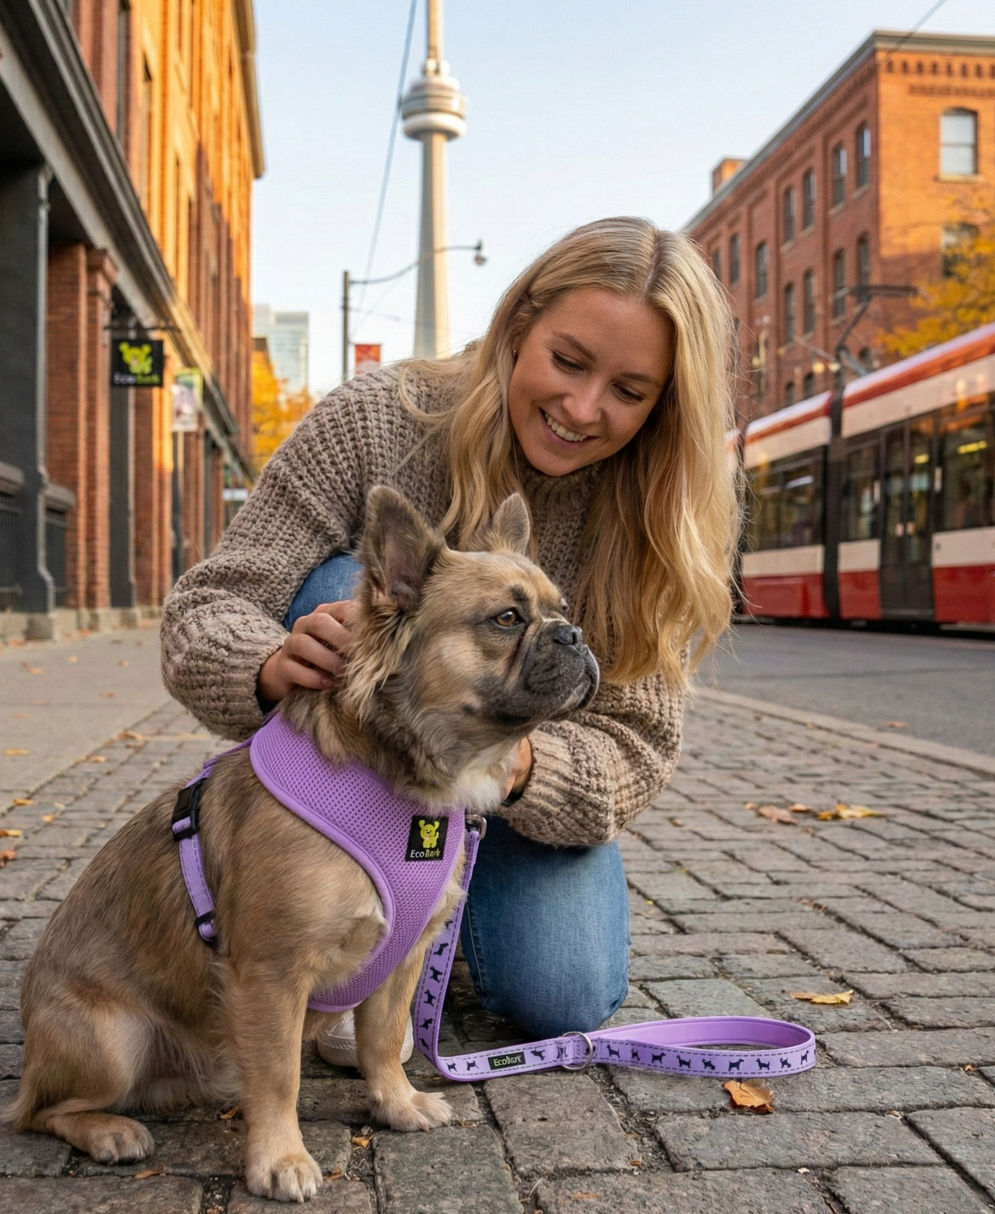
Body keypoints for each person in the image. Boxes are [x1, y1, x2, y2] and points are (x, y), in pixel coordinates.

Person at [161, 216, 738, 1062]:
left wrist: (513, 762)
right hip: (353, 772)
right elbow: (208, 602)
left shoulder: (656, 517)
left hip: (506, 787)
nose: (583, 408)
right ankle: (330, 906)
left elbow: (637, 750)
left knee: (562, 992)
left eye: (628, 390)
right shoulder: (377, 420)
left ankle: (429, 910)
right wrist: (269, 661)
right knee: (343, 592)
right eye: (569, 361)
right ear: (516, 326)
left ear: (664, 403)